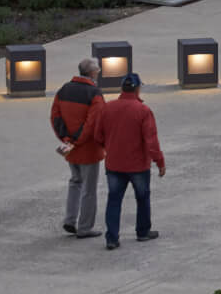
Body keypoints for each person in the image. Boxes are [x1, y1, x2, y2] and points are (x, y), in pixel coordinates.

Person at [93, 72, 163, 250]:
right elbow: (151, 141)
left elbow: (97, 136)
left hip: (114, 163)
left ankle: (112, 238)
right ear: (138, 89)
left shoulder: (107, 108)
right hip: (138, 165)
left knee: (114, 199)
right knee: (142, 197)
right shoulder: (143, 111)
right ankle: (142, 232)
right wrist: (159, 161)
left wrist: (109, 147)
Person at [50, 57, 106, 239]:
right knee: (89, 189)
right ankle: (84, 227)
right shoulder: (94, 93)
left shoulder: (64, 90)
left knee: (75, 182)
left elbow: (55, 117)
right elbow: (94, 121)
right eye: (97, 69)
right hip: (88, 148)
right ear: (92, 73)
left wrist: (66, 139)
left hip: (70, 148)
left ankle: (70, 219)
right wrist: (78, 140)